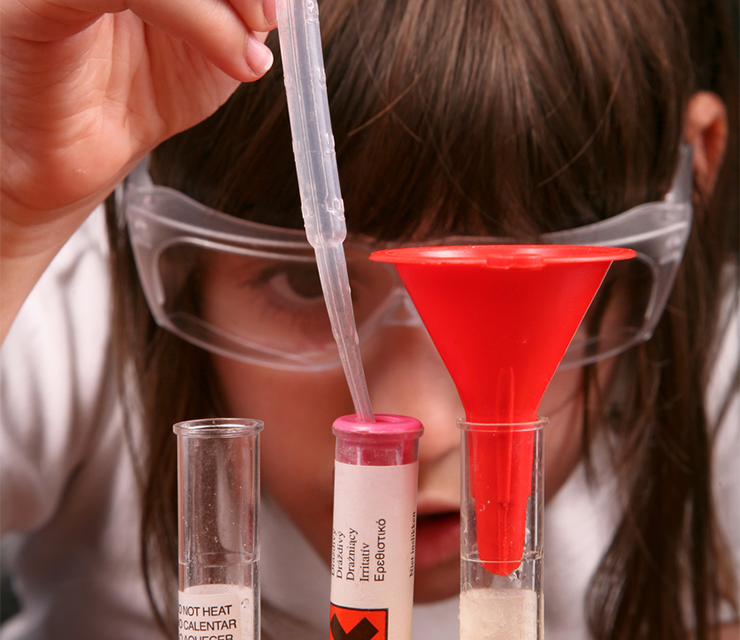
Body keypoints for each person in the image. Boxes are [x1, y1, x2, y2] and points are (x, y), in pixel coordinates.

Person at [0, 0, 738, 639]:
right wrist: (16, 215)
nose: (421, 423)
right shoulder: (70, 303)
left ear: (687, 185)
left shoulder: (720, 381)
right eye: (305, 282)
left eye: (509, 294)